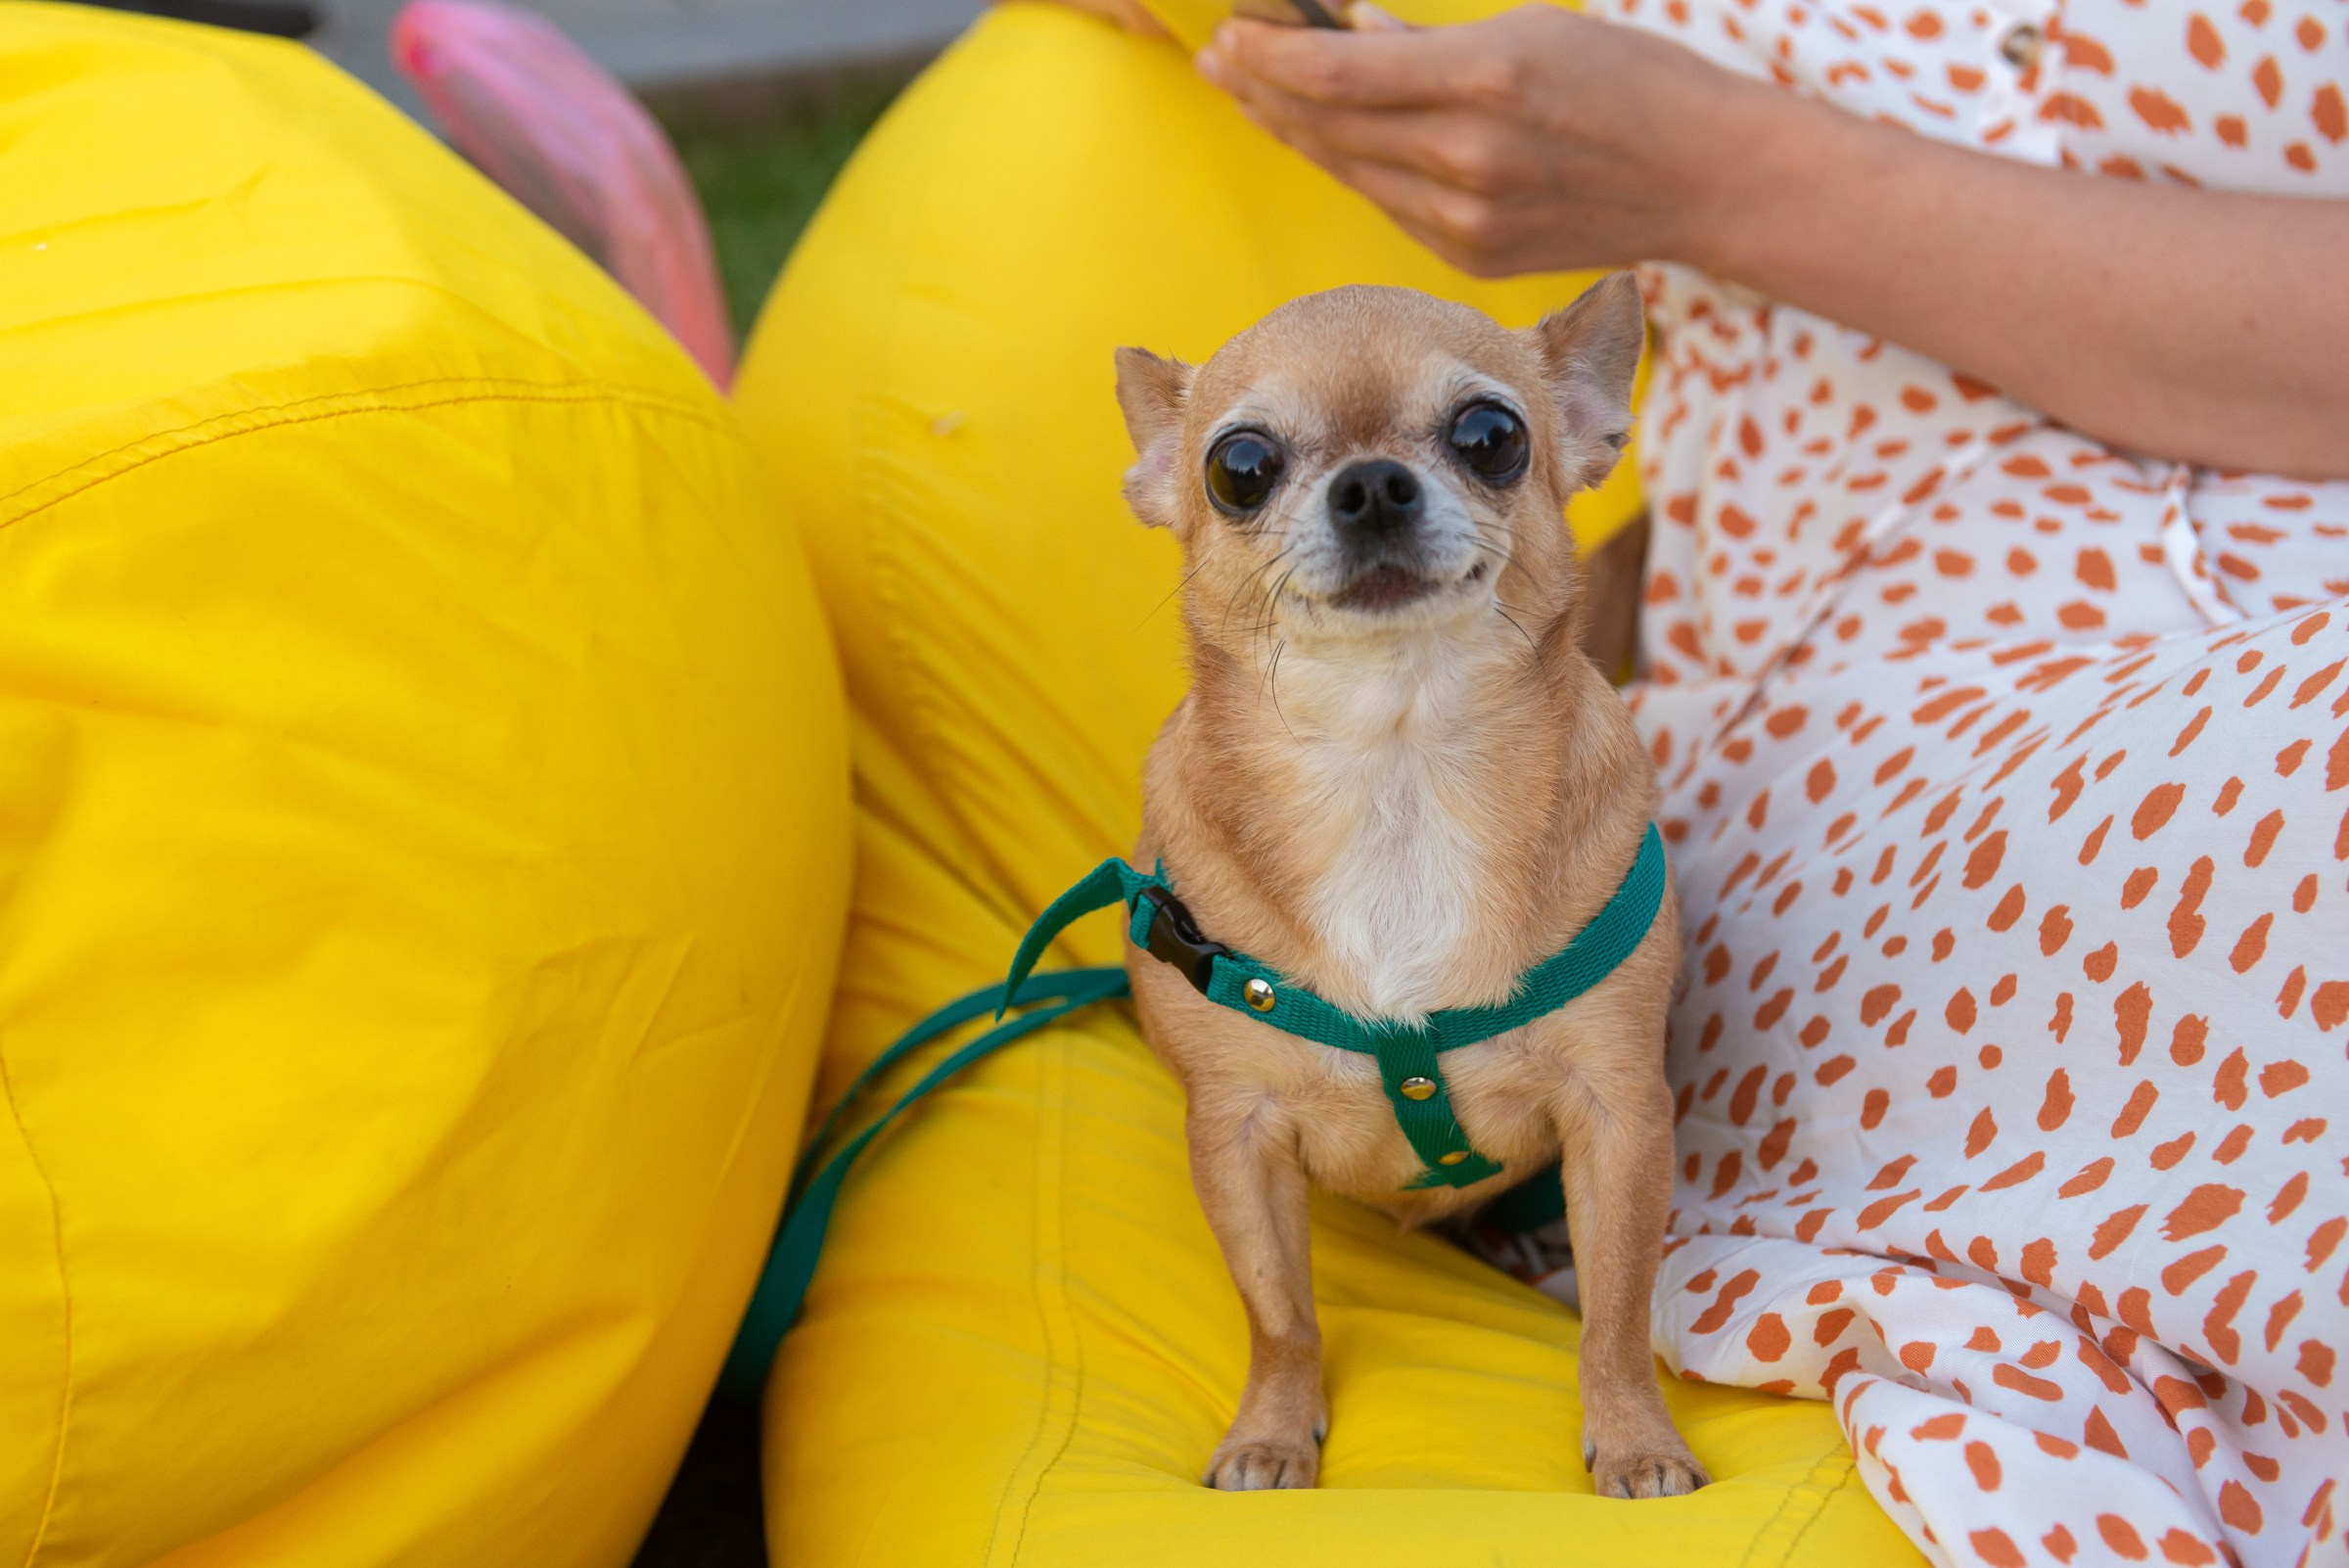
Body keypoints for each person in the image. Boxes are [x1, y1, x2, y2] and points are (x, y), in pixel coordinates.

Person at [1049, 1, 2349, 1561]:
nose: (1382, 494)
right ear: (1165, 488)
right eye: (1251, 473)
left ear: (1583, 432)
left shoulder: (1613, 836)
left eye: (1478, 443)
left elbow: (1622, 1091)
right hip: (1872, 651)